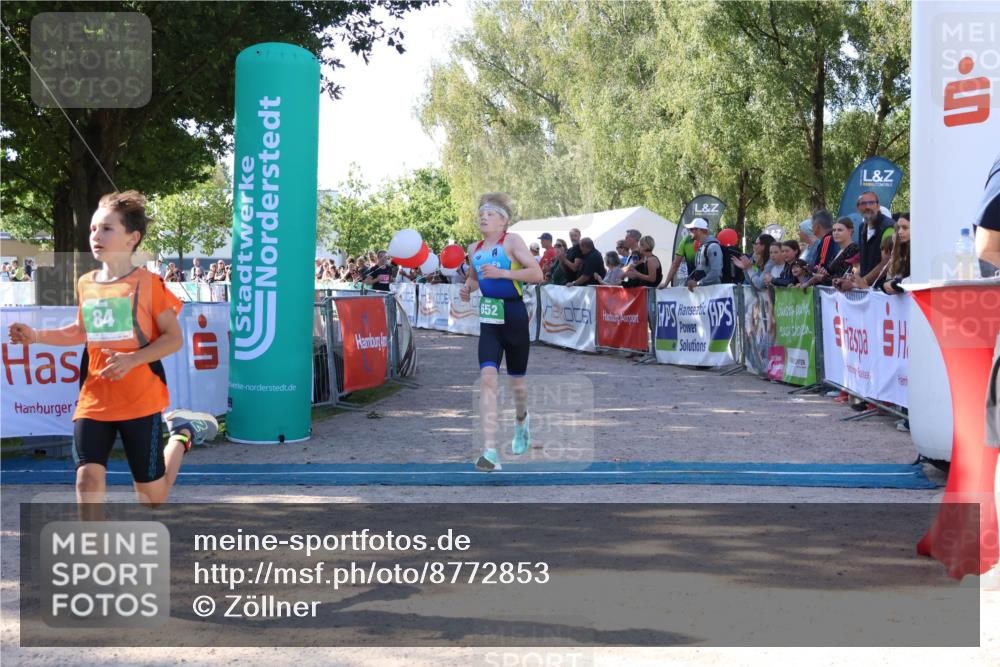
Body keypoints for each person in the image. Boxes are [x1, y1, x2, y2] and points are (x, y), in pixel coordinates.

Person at [6, 190, 217, 514]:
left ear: (132, 238)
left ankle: (182, 433)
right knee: (86, 481)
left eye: (106, 228)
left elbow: (173, 339)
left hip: (140, 398)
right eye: (93, 229)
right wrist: (36, 335)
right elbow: (80, 331)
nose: (96, 235)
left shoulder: (149, 283)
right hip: (95, 399)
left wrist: (133, 359)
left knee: (152, 498)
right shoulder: (87, 283)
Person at [460, 192, 543, 472]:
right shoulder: (474, 248)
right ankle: (491, 452)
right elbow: (474, 277)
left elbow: (537, 274)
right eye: (481, 214)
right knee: (487, 380)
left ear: (503, 221)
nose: (484, 217)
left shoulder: (513, 242)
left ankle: (522, 423)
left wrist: (503, 274)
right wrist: (467, 288)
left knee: (517, 384)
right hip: (490, 320)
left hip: (514, 315)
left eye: (490, 214)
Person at [805, 217, 860, 289]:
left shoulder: (854, 248)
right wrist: (823, 273)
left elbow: (845, 277)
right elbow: (833, 275)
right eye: (834, 230)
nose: (836, 233)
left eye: (840, 230)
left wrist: (820, 278)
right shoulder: (838, 252)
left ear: (850, 231)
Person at [855, 191, 895, 286]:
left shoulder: (888, 227)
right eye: (863, 203)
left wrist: (863, 281)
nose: (867, 207)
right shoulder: (862, 228)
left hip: (883, 292)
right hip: (867, 291)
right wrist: (853, 278)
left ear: (878, 206)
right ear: (858, 208)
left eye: (871, 203)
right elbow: (864, 262)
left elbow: (887, 262)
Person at [684, 218, 721, 290]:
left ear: (699, 230)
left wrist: (698, 283)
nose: (689, 232)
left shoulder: (713, 246)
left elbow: (715, 272)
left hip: (713, 293)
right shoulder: (701, 247)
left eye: (691, 229)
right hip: (704, 293)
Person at [882, 212, 911, 295]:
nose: (900, 232)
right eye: (898, 228)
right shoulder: (900, 248)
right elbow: (890, 276)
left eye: (905, 228)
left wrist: (894, 284)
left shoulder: (920, 252)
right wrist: (887, 284)